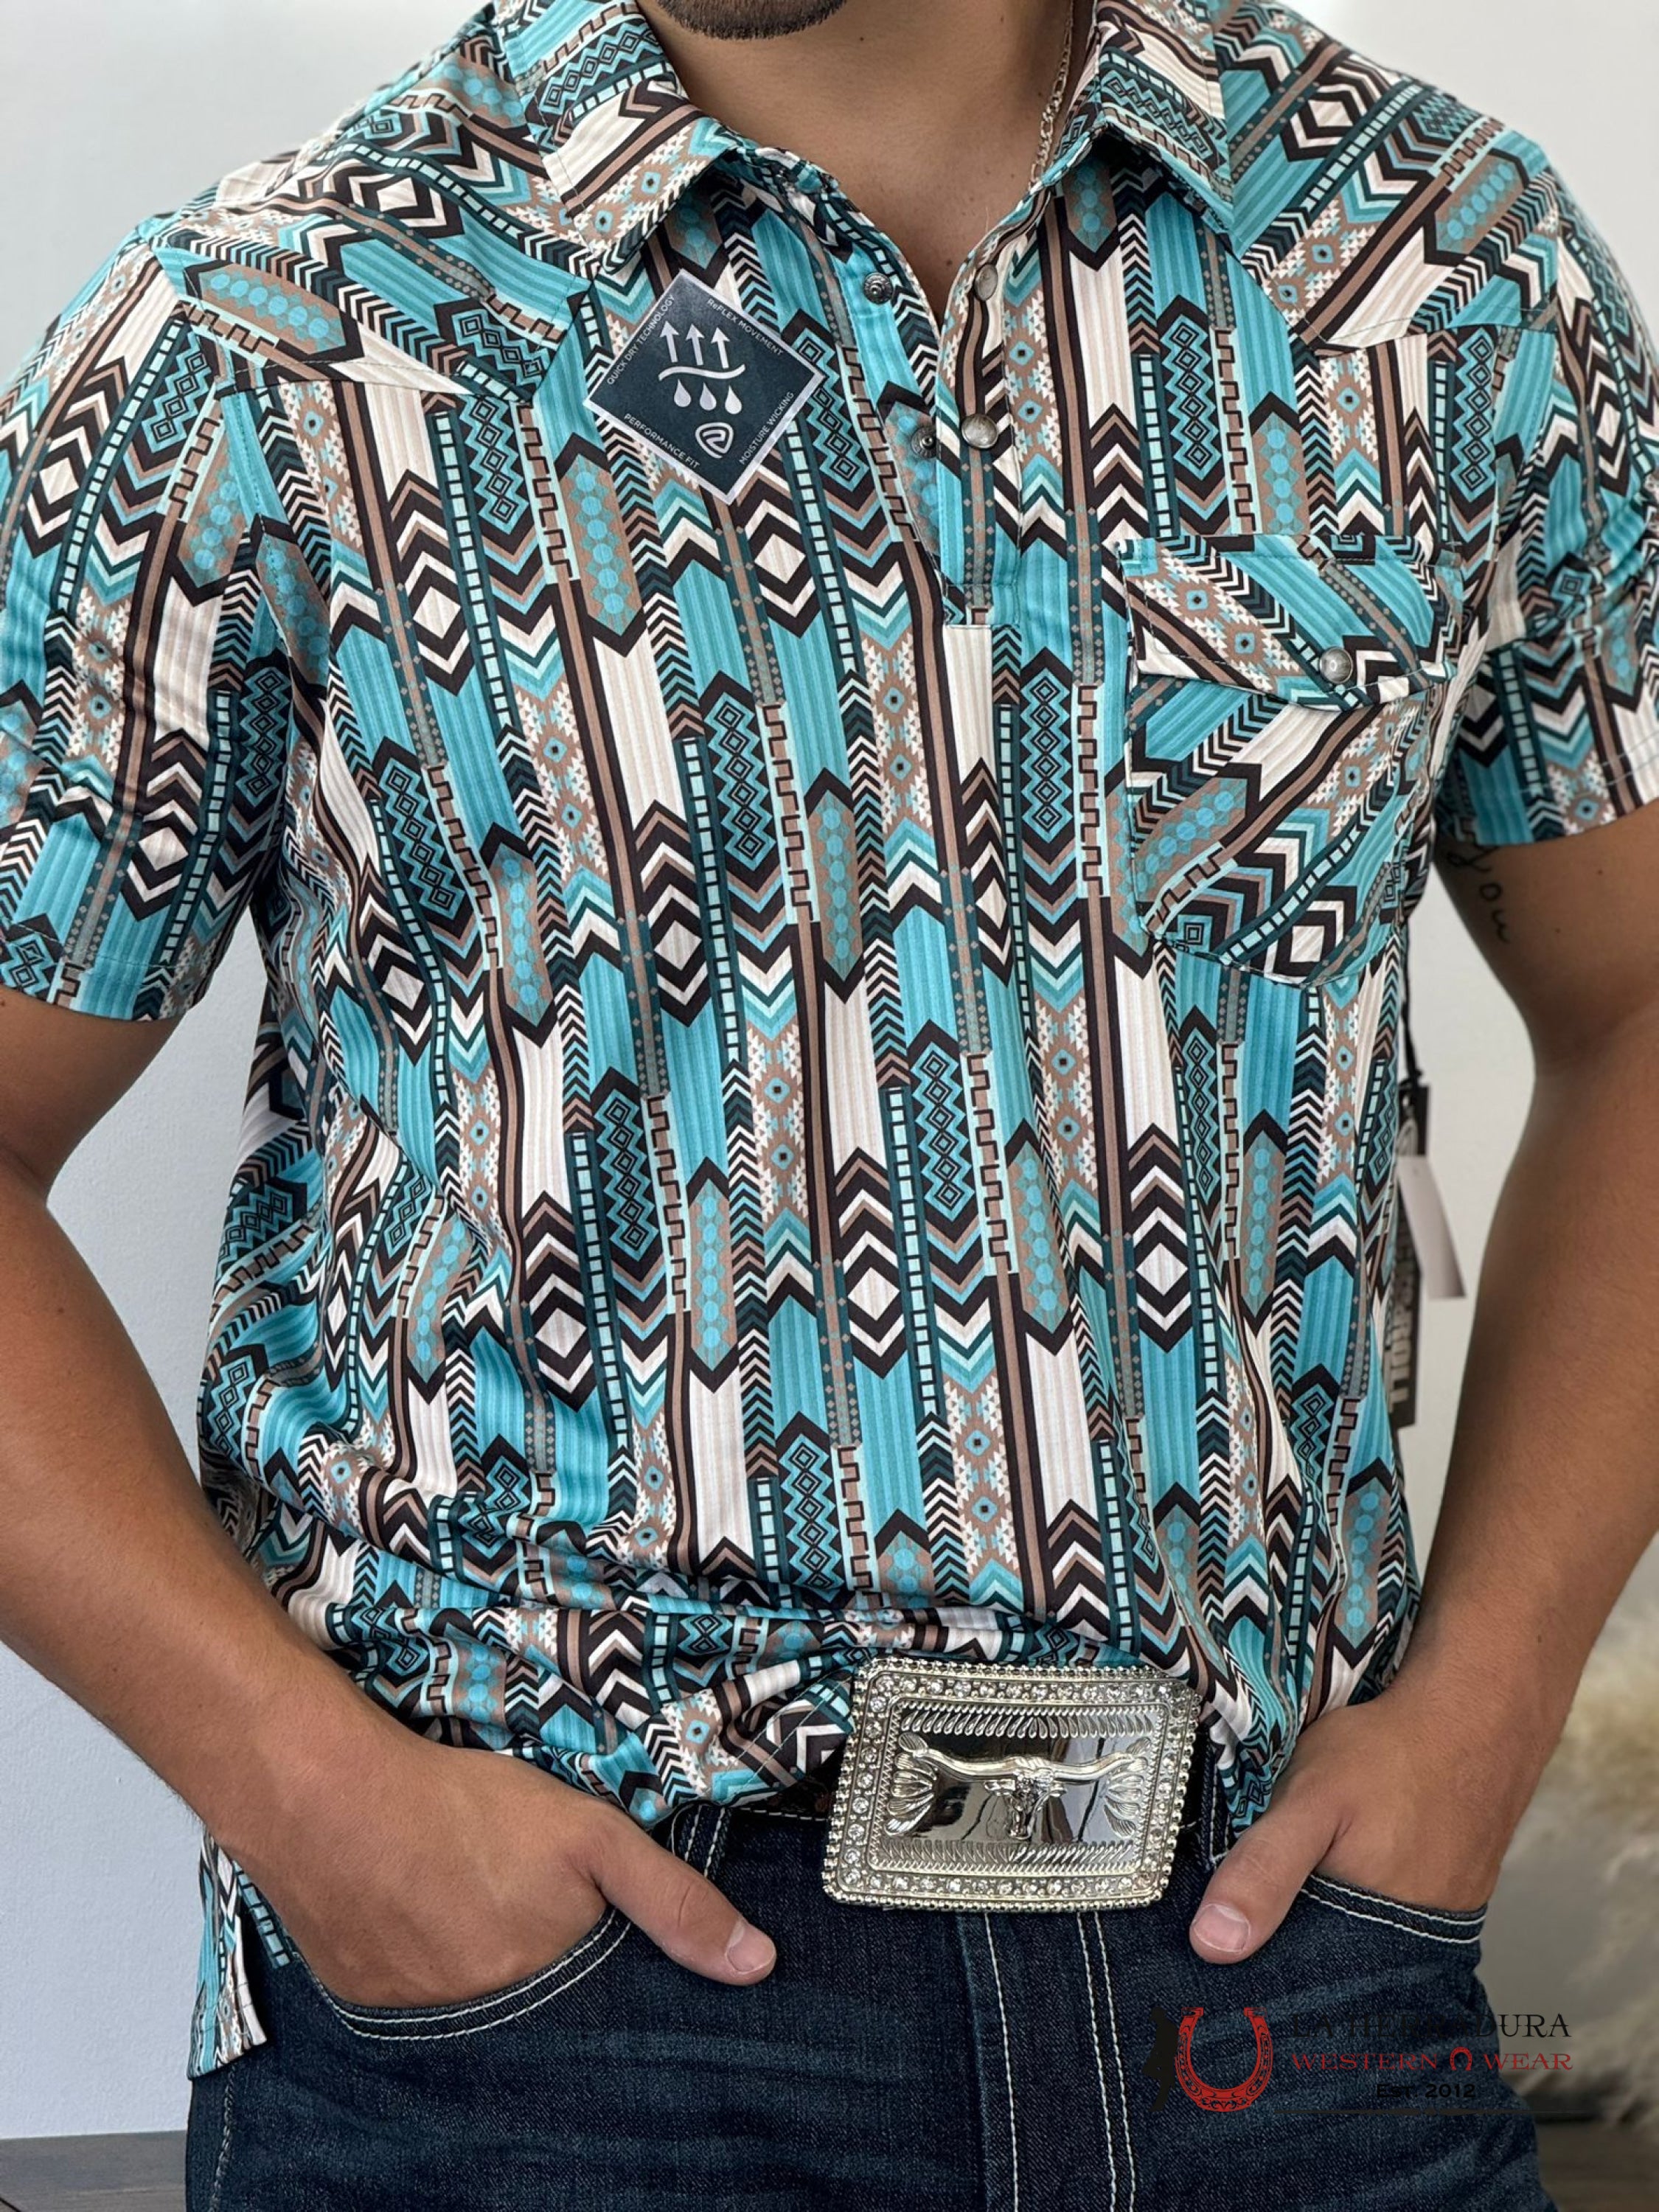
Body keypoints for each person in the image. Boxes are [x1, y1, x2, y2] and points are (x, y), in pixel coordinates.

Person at [1, 0, 1655, 2202]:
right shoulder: (265, 334)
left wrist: (1487, 1714)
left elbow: (1638, 1003)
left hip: (1292, 1983)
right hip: (545, 2027)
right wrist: (315, 1800)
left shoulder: (1437, 265)